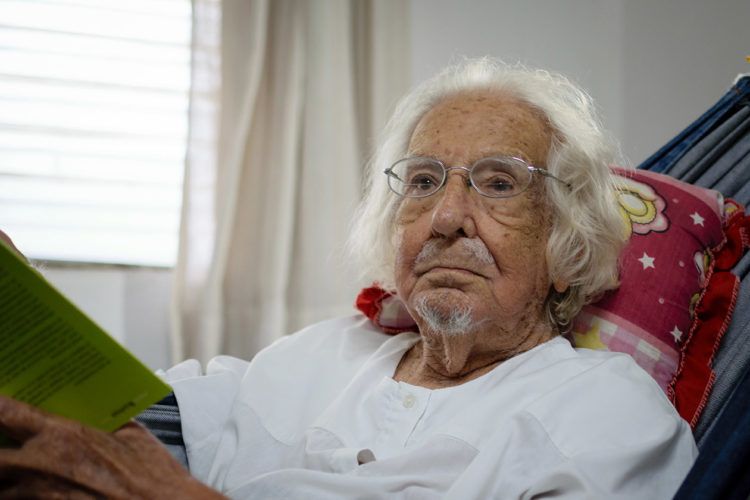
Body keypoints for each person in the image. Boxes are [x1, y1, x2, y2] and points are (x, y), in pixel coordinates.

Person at [0, 59, 697, 498]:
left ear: (563, 240)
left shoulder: (607, 410)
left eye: (498, 183)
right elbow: (125, 413)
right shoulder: (318, 354)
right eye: (423, 181)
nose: (448, 217)